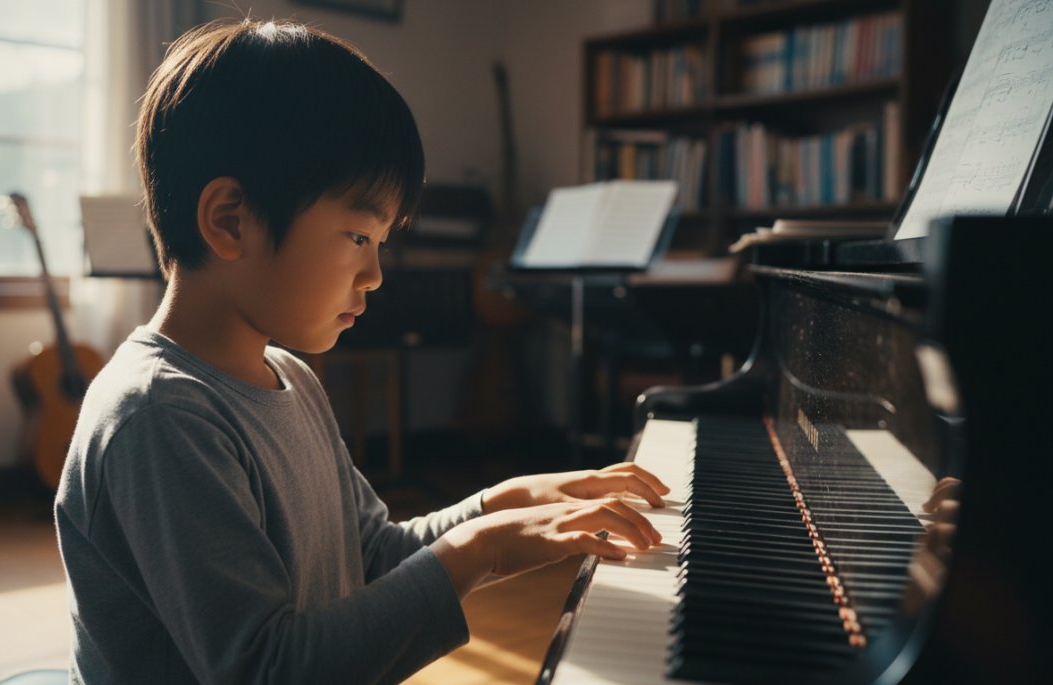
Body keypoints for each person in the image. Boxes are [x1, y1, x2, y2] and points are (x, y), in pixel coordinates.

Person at [55, 18, 669, 684]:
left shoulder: (288, 376)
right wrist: (478, 549)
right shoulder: (159, 415)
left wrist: (501, 505)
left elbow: (372, 552)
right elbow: (268, 670)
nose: (376, 274)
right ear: (231, 220)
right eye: (357, 236)